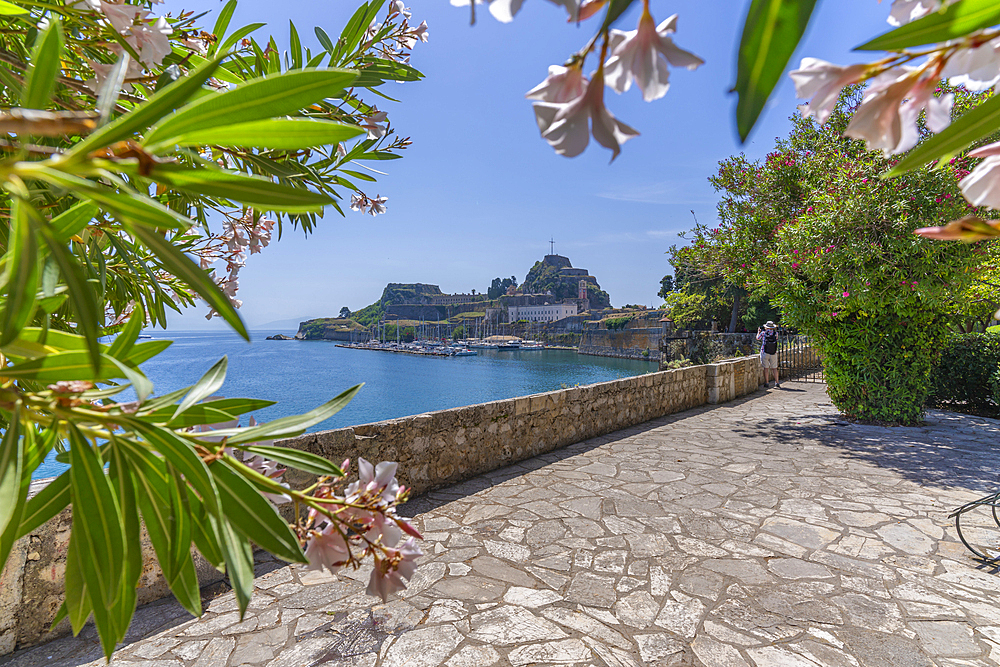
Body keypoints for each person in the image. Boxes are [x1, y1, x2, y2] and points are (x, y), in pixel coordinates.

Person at [757, 321, 780, 388]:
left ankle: (767, 382)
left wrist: (758, 332)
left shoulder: (763, 333)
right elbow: (776, 339)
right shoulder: (776, 333)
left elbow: (758, 338)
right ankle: (777, 382)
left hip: (765, 352)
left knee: (766, 368)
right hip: (773, 353)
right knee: (774, 368)